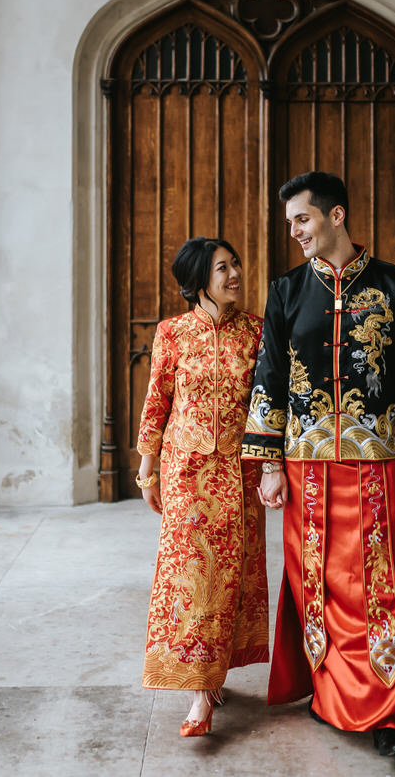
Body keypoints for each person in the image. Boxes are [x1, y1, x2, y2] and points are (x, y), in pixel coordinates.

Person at [241, 172, 395, 757]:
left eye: (303, 220)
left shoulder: (393, 285)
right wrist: (266, 463)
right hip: (304, 465)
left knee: (376, 583)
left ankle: (388, 712)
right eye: (290, 223)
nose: (295, 232)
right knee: (316, 581)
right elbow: (271, 377)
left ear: (336, 216)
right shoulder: (287, 291)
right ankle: (330, 696)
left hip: (375, 461)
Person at [136, 237, 270, 737]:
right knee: (192, 578)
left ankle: (213, 676)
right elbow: (157, 403)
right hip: (185, 473)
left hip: (239, 474)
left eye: (235, 263)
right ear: (198, 282)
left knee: (231, 576)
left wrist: (271, 467)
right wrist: (146, 471)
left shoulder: (257, 332)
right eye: (222, 268)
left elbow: (265, 409)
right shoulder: (172, 334)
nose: (235, 273)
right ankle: (198, 695)